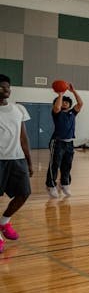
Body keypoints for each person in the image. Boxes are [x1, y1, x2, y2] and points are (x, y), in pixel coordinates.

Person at [0, 74, 32, 251]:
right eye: (2, 87)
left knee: (24, 194)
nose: (6, 90)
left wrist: (29, 162)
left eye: (8, 87)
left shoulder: (18, 109)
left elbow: (24, 137)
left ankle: (4, 222)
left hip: (17, 159)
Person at [46, 83, 83, 198]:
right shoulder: (57, 113)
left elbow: (80, 103)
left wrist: (74, 91)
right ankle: (51, 185)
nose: (64, 103)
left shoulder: (73, 113)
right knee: (55, 164)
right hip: (57, 142)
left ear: (70, 104)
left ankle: (65, 184)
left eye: (67, 102)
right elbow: (57, 107)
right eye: (63, 102)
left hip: (69, 143)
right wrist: (60, 94)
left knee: (67, 165)